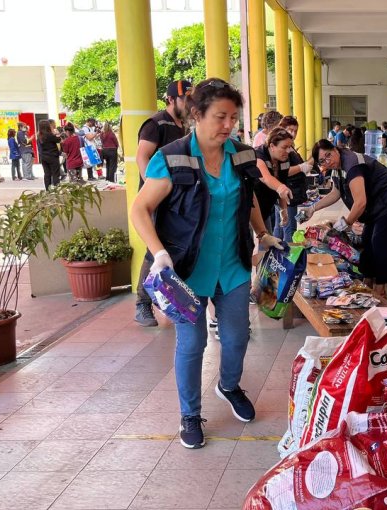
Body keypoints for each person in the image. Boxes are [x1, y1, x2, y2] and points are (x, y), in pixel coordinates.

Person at [130, 78, 284, 449]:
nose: (228, 125)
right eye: (220, 116)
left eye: (233, 117)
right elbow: (140, 208)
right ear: (196, 114)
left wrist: (263, 234)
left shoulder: (242, 154)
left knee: (236, 337)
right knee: (192, 341)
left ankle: (228, 386)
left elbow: (248, 201)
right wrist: (159, 253)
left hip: (231, 265)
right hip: (185, 270)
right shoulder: (171, 157)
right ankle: (189, 414)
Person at [305, 140, 387, 295]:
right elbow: (336, 192)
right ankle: (368, 281)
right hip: (374, 207)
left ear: (335, 149)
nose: (328, 161)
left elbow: (360, 203)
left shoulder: (352, 164)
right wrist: (312, 208)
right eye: (322, 161)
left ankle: (380, 289)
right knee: (367, 240)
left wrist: (345, 223)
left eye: (328, 155)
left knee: (380, 242)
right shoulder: (336, 167)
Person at [132, 79, 193, 327]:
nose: (189, 104)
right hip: (157, 200)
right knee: (153, 251)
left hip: (176, 200)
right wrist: (153, 188)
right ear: (171, 99)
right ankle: (142, 304)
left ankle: (164, 298)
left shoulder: (183, 126)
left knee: (174, 247)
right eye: (185, 99)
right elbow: (141, 156)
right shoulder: (155, 124)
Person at [255, 127, 309, 243]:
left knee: (266, 242)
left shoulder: (284, 159)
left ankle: (269, 259)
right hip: (250, 207)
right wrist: (281, 188)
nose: (289, 151)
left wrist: (283, 210)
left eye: (290, 147)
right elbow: (266, 177)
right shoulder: (259, 156)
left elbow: (282, 181)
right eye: (284, 147)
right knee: (257, 243)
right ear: (272, 146)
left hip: (264, 208)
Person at [37, 119, 63, 190]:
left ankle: (47, 190)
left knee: (47, 174)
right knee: (55, 174)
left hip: (43, 157)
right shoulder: (50, 135)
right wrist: (55, 133)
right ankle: (56, 189)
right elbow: (59, 140)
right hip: (53, 156)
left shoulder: (39, 136)